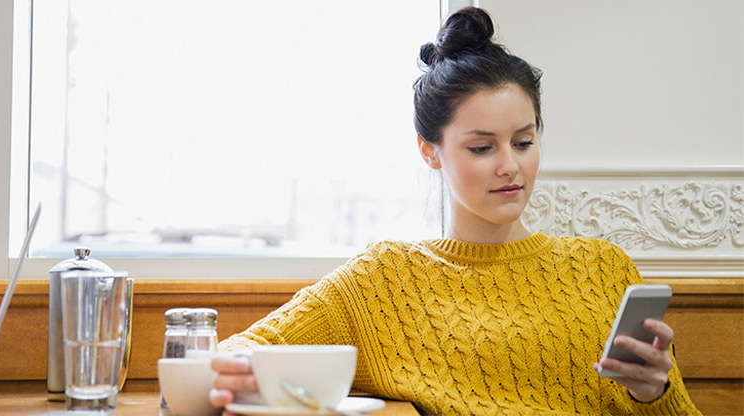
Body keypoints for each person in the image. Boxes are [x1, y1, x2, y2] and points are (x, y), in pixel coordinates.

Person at [209, 7, 701, 415]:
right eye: (482, 148)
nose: (511, 166)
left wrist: (652, 392)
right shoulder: (383, 280)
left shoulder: (604, 269)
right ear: (430, 151)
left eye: (524, 141)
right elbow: (232, 356)